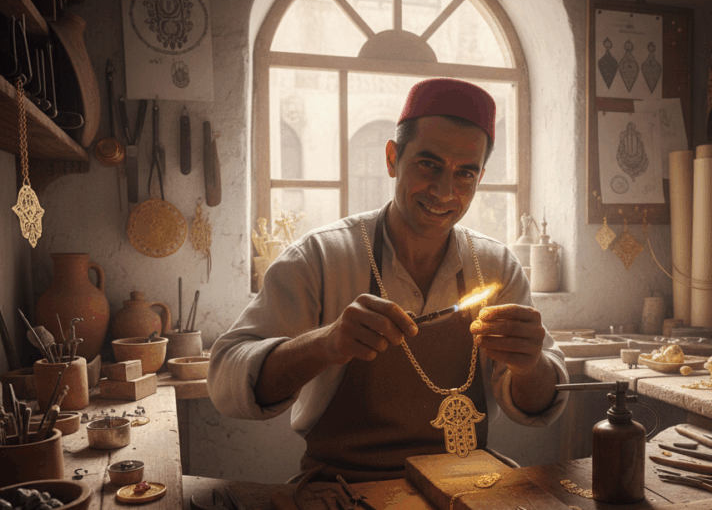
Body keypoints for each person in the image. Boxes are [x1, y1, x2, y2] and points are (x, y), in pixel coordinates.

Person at [208, 78, 568, 483]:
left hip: (465, 487)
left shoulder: (496, 267)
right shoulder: (323, 257)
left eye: (465, 173)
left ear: (481, 176)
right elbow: (224, 381)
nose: (445, 191)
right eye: (429, 164)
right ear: (392, 157)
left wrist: (529, 365)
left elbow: (539, 405)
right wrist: (326, 344)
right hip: (344, 488)